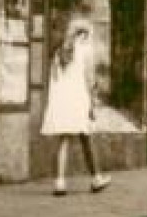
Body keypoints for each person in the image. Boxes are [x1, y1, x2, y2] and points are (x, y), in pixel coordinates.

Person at [42, 17, 111, 196]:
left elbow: (54, 80)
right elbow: (88, 79)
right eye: (87, 33)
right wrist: (92, 102)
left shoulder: (58, 52)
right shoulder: (83, 50)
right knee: (86, 138)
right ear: (83, 34)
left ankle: (60, 183)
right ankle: (96, 178)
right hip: (78, 100)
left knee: (64, 140)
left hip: (61, 102)